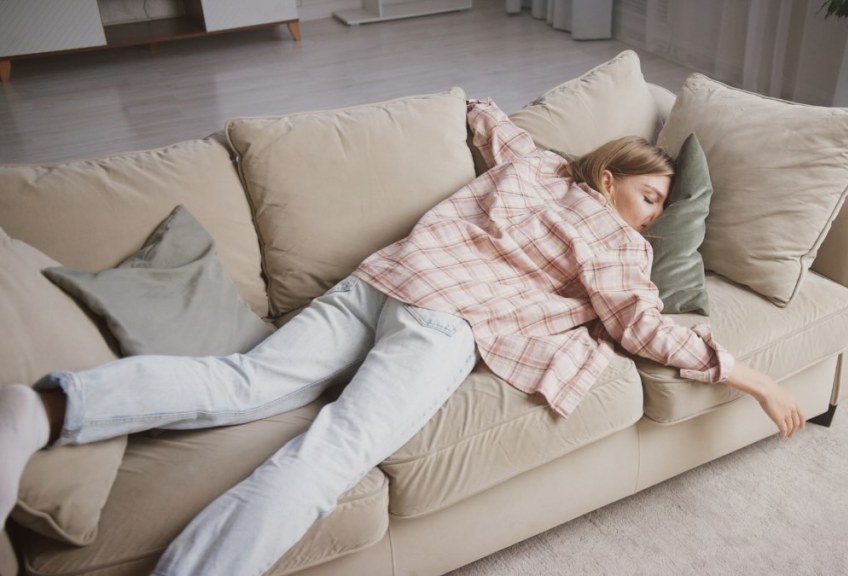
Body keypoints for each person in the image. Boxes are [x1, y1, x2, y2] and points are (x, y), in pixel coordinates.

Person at [0, 99, 804, 575]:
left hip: (383, 279)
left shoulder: (537, 167)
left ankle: (41, 411)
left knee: (243, 382)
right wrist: (751, 377)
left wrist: (483, 117)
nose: (657, 215)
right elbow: (642, 328)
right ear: (610, 179)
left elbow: (488, 118)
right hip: (443, 324)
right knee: (327, 457)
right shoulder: (614, 242)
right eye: (653, 196)